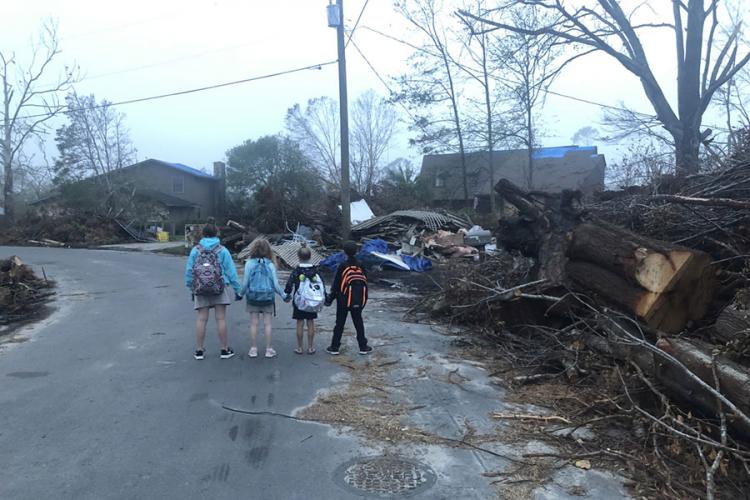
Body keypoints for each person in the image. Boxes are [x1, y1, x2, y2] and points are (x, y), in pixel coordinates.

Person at [184, 221, 242, 360]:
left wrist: (191, 286)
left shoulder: (195, 250)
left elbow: (189, 270)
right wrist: (237, 289)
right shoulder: (222, 250)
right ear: (217, 233)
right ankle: (224, 349)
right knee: (220, 318)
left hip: (200, 288)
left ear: (203, 234)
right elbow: (231, 272)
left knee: (202, 319)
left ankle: (199, 351)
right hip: (219, 287)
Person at [240, 238, 288, 358]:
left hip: (253, 297)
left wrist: (240, 294)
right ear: (268, 250)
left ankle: (253, 349)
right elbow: (275, 285)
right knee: (268, 324)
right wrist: (284, 295)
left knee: (254, 323)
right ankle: (269, 349)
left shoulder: (249, 263)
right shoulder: (271, 264)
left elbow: (245, 283)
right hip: (267, 297)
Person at [325, 241, 372, 355]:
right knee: (358, 322)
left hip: (343, 299)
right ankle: (363, 346)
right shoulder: (360, 265)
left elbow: (336, 284)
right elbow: (365, 280)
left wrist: (331, 298)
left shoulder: (343, 265)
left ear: (344, 252)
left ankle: (335, 347)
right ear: (357, 251)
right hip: (358, 299)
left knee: (340, 323)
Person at [284, 246, 324, 355]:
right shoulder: (315, 271)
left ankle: (299, 347)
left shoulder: (297, 271)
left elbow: (289, 284)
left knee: (300, 323)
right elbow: (322, 285)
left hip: (300, 301)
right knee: (310, 322)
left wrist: (287, 294)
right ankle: (310, 347)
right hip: (312, 300)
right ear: (310, 257)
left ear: (298, 257)